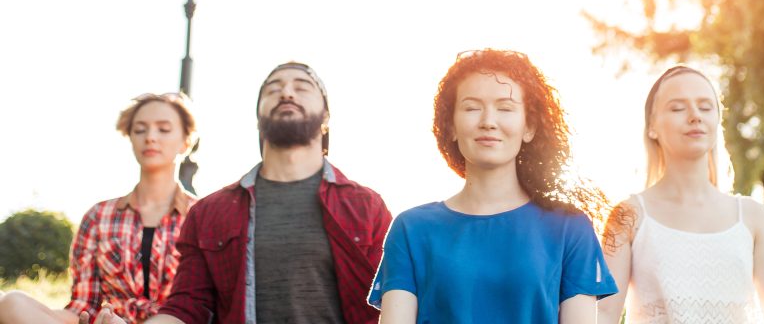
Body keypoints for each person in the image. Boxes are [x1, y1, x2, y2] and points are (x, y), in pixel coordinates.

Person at [87, 61, 392, 324]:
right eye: (273, 88)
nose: (286, 92)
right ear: (258, 117)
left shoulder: (367, 207)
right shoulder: (210, 212)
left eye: (302, 86)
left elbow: (390, 308)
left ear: (326, 118)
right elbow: (187, 308)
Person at [370, 48, 617, 323]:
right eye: (472, 107)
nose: (488, 122)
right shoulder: (411, 229)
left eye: (505, 108)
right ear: (450, 125)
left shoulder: (570, 228)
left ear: (529, 127)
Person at [598, 65, 764, 324]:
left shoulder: (752, 215)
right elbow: (604, 315)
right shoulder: (628, 215)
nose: (694, 116)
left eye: (705, 107)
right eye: (678, 108)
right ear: (652, 127)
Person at [0, 92, 199, 324]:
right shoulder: (98, 217)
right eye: (140, 129)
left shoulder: (202, 216)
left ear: (186, 140)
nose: (150, 137)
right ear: (130, 137)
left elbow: (202, 306)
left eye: (163, 129)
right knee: (12, 302)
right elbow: (83, 305)